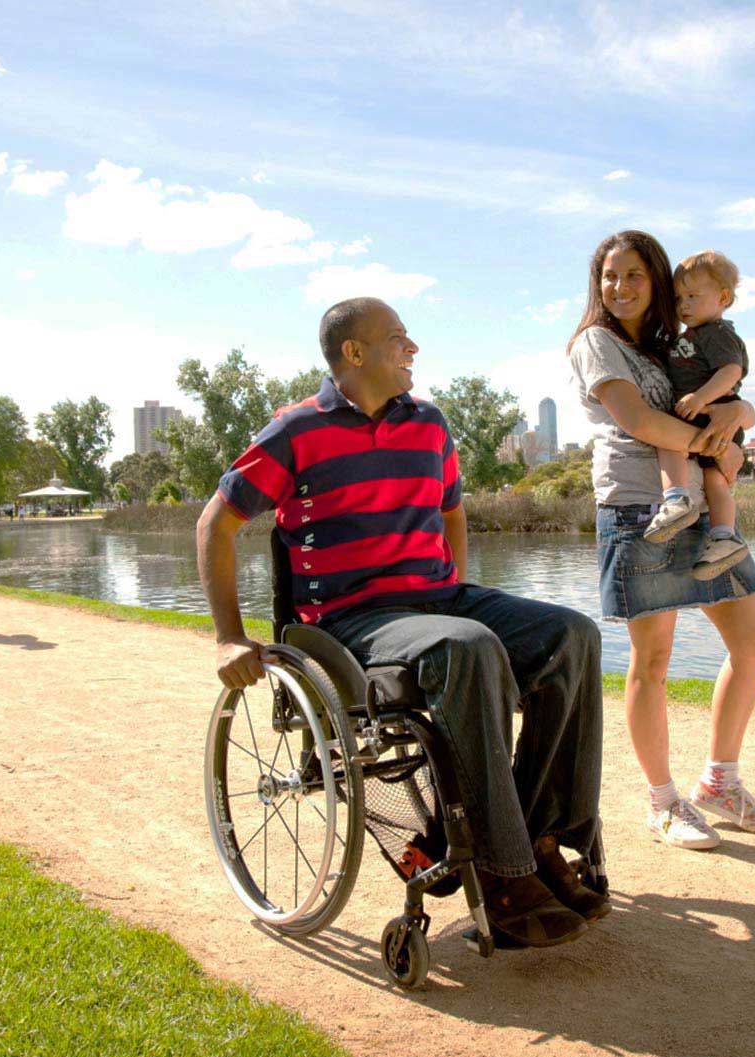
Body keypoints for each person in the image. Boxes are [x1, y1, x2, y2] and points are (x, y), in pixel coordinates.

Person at [195, 297, 607, 949]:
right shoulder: (294, 433)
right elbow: (215, 523)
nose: (412, 350)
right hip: (352, 620)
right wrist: (227, 635)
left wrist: (456, 583)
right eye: (397, 340)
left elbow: (451, 513)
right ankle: (502, 877)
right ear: (353, 354)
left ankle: (543, 837)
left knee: (572, 635)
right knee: (466, 647)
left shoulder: (430, 425)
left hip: (439, 601)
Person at [567, 230, 755, 851]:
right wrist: (720, 441)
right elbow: (638, 422)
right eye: (610, 275)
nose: (620, 287)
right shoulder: (596, 343)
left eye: (635, 275)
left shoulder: (673, 342)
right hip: (641, 507)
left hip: (698, 505)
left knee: (754, 641)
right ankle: (663, 801)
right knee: (654, 662)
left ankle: (720, 782)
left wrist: (738, 418)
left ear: (657, 282)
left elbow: (733, 394)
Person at [643, 250, 751, 580]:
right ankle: (722, 536)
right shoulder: (688, 336)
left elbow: (731, 372)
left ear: (723, 297)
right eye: (678, 298)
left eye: (693, 296)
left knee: (670, 445)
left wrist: (700, 397)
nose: (683, 305)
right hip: (700, 413)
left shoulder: (718, 333)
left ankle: (679, 502)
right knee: (712, 478)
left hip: (709, 413)